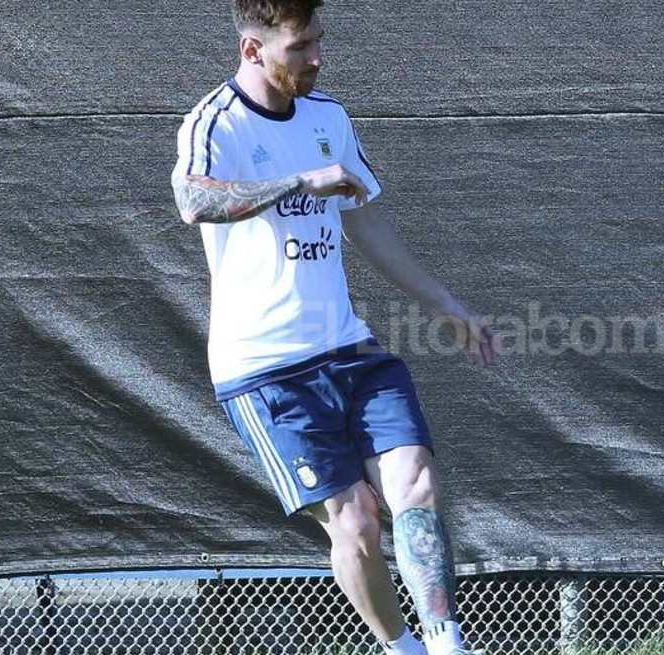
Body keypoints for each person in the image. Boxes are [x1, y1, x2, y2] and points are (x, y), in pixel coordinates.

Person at [170, 2, 495, 654]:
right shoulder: (216, 121)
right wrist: (299, 181)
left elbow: (364, 219)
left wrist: (445, 304)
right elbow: (193, 200)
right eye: (300, 47)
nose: (316, 58)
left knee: (416, 484)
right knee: (357, 525)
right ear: (252, 50)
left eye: (319, 41)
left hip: (348, 347)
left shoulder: (329, 117)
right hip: (265, 371)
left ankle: (448, 643)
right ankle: (402, 649)